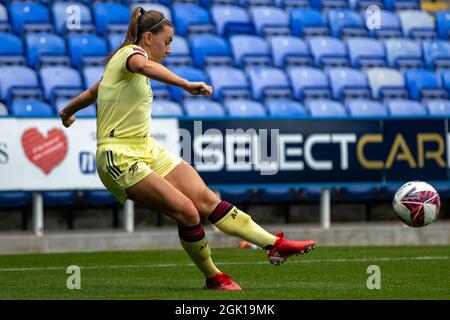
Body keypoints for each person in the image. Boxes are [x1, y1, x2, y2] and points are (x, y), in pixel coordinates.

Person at [59, 8, 317, 291]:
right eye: (167, 41)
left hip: (146, 148)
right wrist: (185, 84)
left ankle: (274, 245)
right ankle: (213, 277)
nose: (169, 49)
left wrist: (66, 112)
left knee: (205, 199)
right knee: (188, 212)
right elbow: (143, 66)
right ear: (148, 37)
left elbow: (93, 92)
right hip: (118, 156)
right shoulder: (131, 55)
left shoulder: (122, 67)